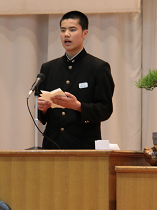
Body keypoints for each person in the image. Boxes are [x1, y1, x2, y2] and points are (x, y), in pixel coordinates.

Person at [37, 11, 115, 149]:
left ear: (85, 33)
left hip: (83, 146)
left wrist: (77, 106)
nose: (66, 34)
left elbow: (105, 109)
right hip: (52, 145)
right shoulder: (48, 68)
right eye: (63, 30)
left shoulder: (98, 67)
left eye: (72, 30)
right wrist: (42, 109)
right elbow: (44, 116)